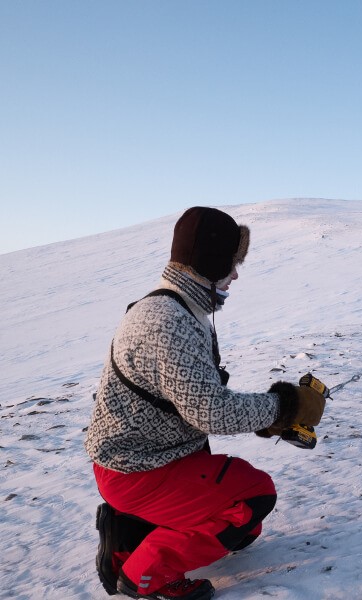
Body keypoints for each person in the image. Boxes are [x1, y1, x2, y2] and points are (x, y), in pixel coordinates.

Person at [85, 206, 327, 599]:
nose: (235, 275)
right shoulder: (168, 321)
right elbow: (210, 411)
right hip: (136, 469)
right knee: (254, 497)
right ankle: (146, 574)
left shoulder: (176, 304)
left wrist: (269, 418)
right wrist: (286, 407)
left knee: (246, 529)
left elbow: (193, 400)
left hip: (151, 457)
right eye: (231, 264)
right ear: (210, 261)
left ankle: (128, 533)